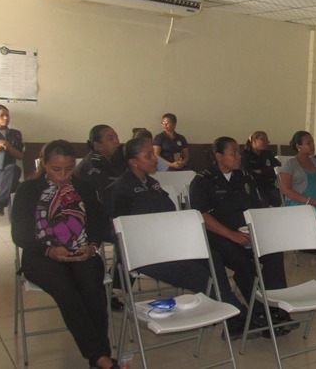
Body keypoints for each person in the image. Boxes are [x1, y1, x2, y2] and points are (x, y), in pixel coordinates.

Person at [103, 138, 248, 337]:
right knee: (200, 276)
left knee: (212, 258)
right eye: (148, 155)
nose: (155, 159)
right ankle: (237, 314)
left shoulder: (152, 184)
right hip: (145, 252)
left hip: (170, 245)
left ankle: (231, 313)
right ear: (133, 162)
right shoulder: (121, 190)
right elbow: (120, 231)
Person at [11, 140, 117, 369]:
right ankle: (100, 356)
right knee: (65, 289)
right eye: (56, 169)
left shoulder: (84, 187)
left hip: (80, 250)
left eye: (68, 169)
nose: (62, 176)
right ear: (44, 164)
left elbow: (98, 222)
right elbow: (19, 234)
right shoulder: (28, 189)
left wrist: (92, 246)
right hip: (40, 254)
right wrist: (49, 250)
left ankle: (100, 356)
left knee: (92, 286)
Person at [190, 137, 295, 337]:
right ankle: (260, 313)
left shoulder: (244, 177)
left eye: (238, 152)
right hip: (219, 235)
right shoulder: (203, 181)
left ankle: (277, 308)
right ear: (219, 156)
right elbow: (201, 215)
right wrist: (231, 235)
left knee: (273, 253)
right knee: (242, 261)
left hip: (246, 232)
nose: (238, 156)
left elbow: (258, 207)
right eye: (233, 153)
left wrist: (259, 231)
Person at [279, 131, 316, 235]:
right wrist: (309, 201)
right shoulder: (290, 164)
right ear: (298, 146)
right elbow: (286, 190)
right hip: (299, 202)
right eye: (308, 143)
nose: (312, 145)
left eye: (312, 142)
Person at [75, 125, 125, 198]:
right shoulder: (95, 164)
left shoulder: (114, 157)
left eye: (116, 137)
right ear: (98, 145)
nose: (117, 142)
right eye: (110, 139)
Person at [240, 131, 282, 207]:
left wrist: (261, 171)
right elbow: (247, 172)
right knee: (261, 201)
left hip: (268, 184)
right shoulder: (245, 155)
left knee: (278, 198)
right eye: (263, 139)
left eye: (267, 140)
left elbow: (278, 167)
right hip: (253, 186)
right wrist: (267, 170)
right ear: (254, 141)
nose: (266, 142)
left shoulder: (268, 154)